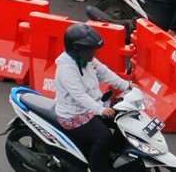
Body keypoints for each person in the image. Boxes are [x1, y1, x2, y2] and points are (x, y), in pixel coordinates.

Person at [53, 23, 132, 172]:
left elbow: (105, 73)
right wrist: (100, 110)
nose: (93, 53)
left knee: (126, 120)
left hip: (93, 107)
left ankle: (110, 152)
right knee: (104, 137)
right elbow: (79, 96)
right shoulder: (66, 69)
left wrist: (126, 85)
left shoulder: (86, 60)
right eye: (90, 50)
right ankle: (97, 167)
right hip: (74, 115)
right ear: (77, 49)